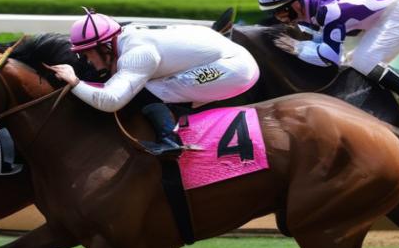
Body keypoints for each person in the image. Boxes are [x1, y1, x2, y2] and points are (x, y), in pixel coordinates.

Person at [45, 8, 260, 158]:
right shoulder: (126, 37)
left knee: (145, 90)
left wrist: (74, 81)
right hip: (226, 56)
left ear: (106, 47)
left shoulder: (136, 54)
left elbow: (110, 101)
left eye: (88, 53)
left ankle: (170, 141)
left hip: (234, 69)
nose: (88, 61)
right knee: (155, 85)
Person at [257, 0, 399, 127]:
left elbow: (330, 57)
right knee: (354, 62)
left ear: (295, 2)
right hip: (388, 15)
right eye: (277, 15)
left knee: (363, 61)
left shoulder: (326, 9)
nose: (283, 19)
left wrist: (297, 48)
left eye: (283, 12)